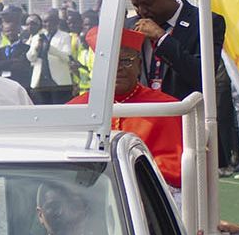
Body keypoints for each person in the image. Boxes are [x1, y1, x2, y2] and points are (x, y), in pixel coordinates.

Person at [69, 27, 185, 187]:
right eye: (108, 62)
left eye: (125, 61)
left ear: (138, 64)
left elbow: (176, 169)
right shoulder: (76, 108)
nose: (117, 68)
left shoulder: (166, 108)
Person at [128, 0, 229, 102]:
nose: (142, 11)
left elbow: (203, 77)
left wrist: (162, 39)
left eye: (148, 4)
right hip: (143, 119)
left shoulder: (205, 22)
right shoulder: (130, 26)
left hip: (183, 118)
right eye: (136, 5)